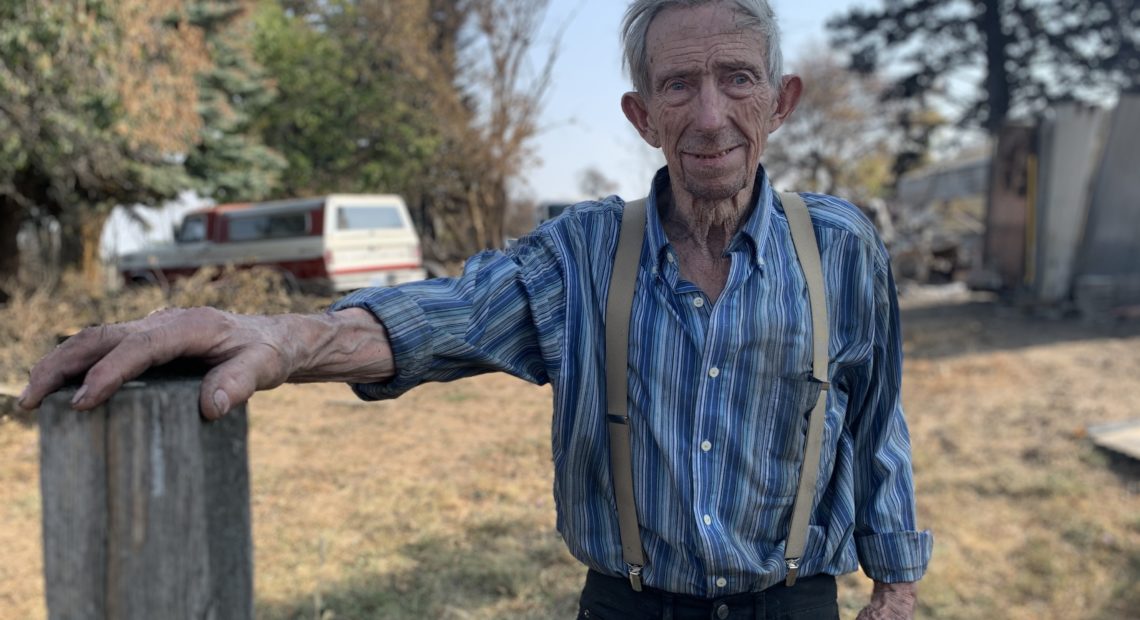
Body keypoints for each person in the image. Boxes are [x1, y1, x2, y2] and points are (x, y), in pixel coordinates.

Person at [20, 0, 932, 617]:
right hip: (628, 603)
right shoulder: (582, 255)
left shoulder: (842, 248)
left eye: (736, 79)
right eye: (677, 86)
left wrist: (894, 583)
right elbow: (449, 316)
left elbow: (873, 419)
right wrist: (280, 337)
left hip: (796, 601)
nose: (708, 114)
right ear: (640, 115)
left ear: (781, 101)